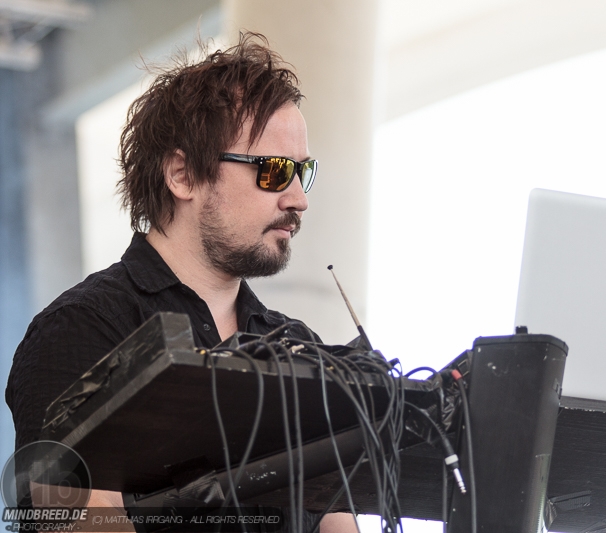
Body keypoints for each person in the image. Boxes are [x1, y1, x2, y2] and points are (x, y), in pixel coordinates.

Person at [5, 32, 358, 533]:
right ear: (182, 175)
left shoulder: (300, 347)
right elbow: (74, 519)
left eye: (304, 171)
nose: (298, 198)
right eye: (275, 171)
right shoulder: (81, 328)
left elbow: (338, 520)